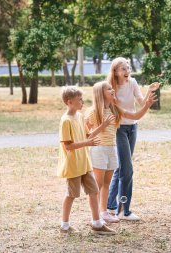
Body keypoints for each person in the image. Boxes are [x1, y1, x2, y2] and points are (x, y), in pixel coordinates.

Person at [85, 81, 157, 223]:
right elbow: (87, 135)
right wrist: (103, 125)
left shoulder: (115, 109)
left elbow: (135, 116)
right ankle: (95, 216)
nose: (112, 90)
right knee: (97, 185)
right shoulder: (93, 112)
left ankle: (104, 212)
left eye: (112, 88)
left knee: (107, 183)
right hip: (99, 150)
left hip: (112, 149)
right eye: (108, 89)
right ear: (101, 94)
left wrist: (147, 106)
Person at [107, 57, 160, 221]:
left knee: (121, 167)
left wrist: (149, 92)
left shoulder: (133, 82)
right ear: (115, 71)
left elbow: (140, 101)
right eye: (123, 68)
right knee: (127, 169)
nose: (127, 71)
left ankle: (110, 205)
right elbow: (125, 112)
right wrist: (144, 107)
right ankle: (124, 211)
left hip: (133, 127)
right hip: (119, 128)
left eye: (128, 67)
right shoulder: (110, 88)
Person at [57, 86, 115, 235]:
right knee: (72, 195)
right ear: (69, 102)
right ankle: (64, 226)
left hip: (84, 163)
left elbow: (87, 135)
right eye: (79, 100)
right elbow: (68, 146)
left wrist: (102, 126)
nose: (82, 102)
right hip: (73, 165)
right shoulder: (66, 121)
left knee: (94, 191)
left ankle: (97, 223)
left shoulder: (80, 116)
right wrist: (87, 144)